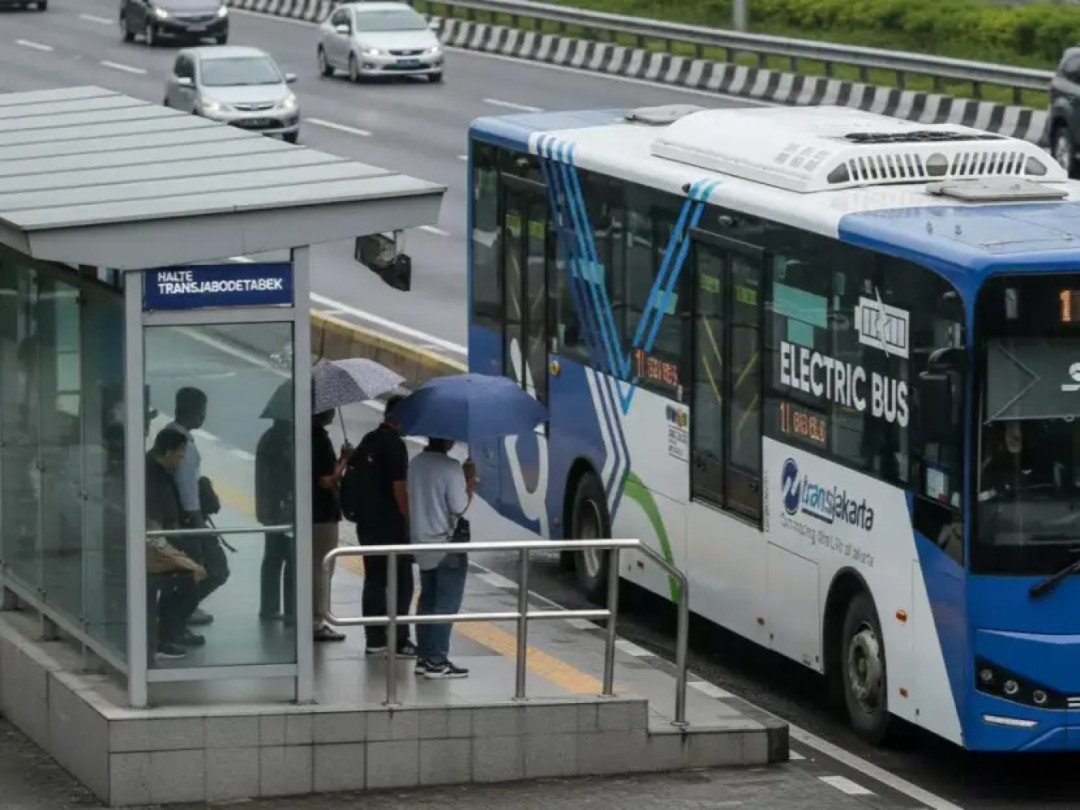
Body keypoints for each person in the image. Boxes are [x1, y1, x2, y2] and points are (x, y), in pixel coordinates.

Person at [348, 395, 416, 657]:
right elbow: (399, 489)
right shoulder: (395, 446)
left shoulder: (369, 439)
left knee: (374, 579)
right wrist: (409, 518)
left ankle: (374, 639)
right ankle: (399, 639)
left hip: (367, 524)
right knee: (401, 581)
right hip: (390, 526)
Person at [408, 438, 476, 679]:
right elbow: (459, 507)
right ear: (446, 439)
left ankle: (424, 658)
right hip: (446, 543)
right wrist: (468, 482)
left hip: (421, 540)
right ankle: (437, 661)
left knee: (426, 601)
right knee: (446, 604)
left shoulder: (415, 463)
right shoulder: (450, 467)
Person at [166, 387, 228, 626]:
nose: (203, 416)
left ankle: (180, 611)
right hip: (187, 521)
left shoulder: (169, 434)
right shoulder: (185, 448)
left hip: (174, 518)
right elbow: (188, 495)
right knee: (215, 569)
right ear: (194, 411)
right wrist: (204, 531)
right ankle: (178, 615)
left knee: (190, 572)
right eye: (202, 411)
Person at [146, 428, 206, 660]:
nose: (181, 461)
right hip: (156, 551)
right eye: (180, 455)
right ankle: (163, 638)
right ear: (168, 451)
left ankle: (165, 634)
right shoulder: (151, 479)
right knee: (187, 581)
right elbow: (153, 535)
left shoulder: (162, 472)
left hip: (168, 542)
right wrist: (185, 562)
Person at [313, 409, 350, 642]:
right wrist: (344, 460)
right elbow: (325, 480)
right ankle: (316, 621)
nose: (333, 411)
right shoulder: (318, 440)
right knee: (322, 569)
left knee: (316, 568)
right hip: (322, 515)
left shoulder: (307, 437)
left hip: (314, 513)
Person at [256, 418, 294, 622]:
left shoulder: (269, 439)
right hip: (282, 511)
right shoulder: (279, 444)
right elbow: (283, 479)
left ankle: (269, 607)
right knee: (290, 559)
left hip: (272, 510)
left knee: (272, 558)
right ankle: (290, 610)